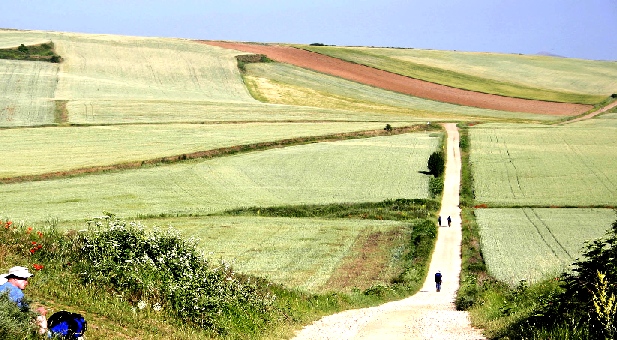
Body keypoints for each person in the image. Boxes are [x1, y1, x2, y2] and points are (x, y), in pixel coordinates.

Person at [0, 266, 48, 335]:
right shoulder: (16, 291)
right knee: (40, 316)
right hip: (11, 322)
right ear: (15, 278)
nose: (26, 282)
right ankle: (45, 336)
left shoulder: (2, 287)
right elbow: (25, 312)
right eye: (24, 279)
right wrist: (39, 312)